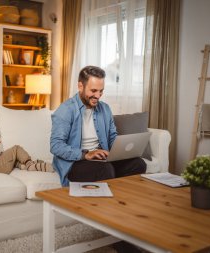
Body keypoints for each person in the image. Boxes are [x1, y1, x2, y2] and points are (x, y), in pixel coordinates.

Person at [50, 65, 146, 253]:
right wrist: (86, 154)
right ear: (80, 86)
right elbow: (55, 146)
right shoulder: (65, 110)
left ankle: (126, 217)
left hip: (101, 159)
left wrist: (119, 150)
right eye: (93, 91)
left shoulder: (105, 109)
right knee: (106, 171)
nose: (98, 95)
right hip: (76, 162)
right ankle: (118, 237)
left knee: (138, 164)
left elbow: (111, 137)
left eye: (101, 91)